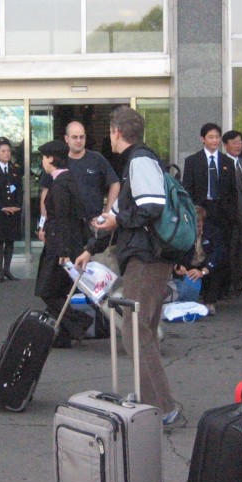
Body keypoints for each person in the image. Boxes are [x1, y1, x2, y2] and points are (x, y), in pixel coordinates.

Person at [76, 105, 182, 427]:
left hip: (147, 260)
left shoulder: (139, 160)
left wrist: (118, 218)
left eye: (109, 130)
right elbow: (125, 217)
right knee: (142, 333)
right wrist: (92, 247)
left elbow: (152, 206)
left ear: (116, 132)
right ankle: (154, 401)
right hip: (146, 258)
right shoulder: (136, 161)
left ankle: (162, 408)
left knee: (135, 333)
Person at [34, 140, 93, 346]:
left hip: (59, 248)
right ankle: (64, 334)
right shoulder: (65, 180)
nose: (42, 161)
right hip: (62, 245)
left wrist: (63, 250)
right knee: (57, 291)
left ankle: (79, 322)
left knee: (47, 291)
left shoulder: (60, 185)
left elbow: (63, 220)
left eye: (43, 157)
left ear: (51, 159)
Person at [38, 121, 120, 238]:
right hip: (64, 227)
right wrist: (43, 224)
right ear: (66, 139)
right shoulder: (57, 161)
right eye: (74, 137)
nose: (78, 140)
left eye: (82, 137)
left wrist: (105, 215)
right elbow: (45, 194)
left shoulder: (97, 159)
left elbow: (115, 184)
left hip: (92, 225)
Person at [183, 123, 236, 298]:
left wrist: (231, 212)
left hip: (222, 211)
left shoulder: (227, 161)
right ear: (202, 139)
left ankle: (220, 291)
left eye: (217, 137)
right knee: (201, 248)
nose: (215, 140)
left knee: (221, 249)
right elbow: (187, 189)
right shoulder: (192, 161)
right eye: (211, 137)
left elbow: (232, 191)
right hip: (201, 210)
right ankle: (202, 290)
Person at [172, 205, 225, 314]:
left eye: (199, 224)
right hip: (187, 265)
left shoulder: (213, 232)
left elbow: (217, 253)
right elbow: (175, 252)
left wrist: (203, 271)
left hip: (204, 264)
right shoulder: (181, 233)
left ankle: (210, 301)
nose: (197, 227)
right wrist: (177, 266)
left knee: (216, 271)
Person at [0, 137, 23, 282]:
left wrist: (17, 206)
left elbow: (18, 189)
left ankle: (7, 269)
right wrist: (2, 207)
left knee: (10, 240)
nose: (7, 154)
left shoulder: (15, 169)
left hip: (13, 210)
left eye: (8, 151)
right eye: (3, 151)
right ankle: (0, 271)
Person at [221, 130, 242, 297]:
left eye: (240, 142)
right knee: (230, 250)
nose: (238, 145)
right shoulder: (223, 163)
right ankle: (229, 283)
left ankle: (239, 281)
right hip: (230, 215)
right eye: (234, 142)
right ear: (226, 145)